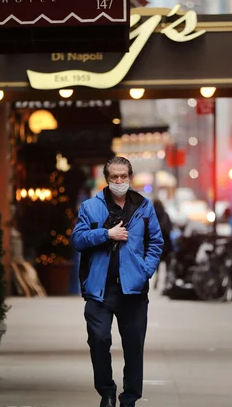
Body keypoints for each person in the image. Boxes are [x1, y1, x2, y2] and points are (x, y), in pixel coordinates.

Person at [72, 156, 164, 407]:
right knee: (99, 339)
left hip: (132, 290)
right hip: (99, 289)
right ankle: (107, 391)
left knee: (134, 347)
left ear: (130, 177)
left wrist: (144, 271)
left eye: (124, 176)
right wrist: (106, 234)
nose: (119, 181)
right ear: (107, 179)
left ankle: (129, 399)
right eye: (114, 177)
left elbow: (156, 242)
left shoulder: (144, 207)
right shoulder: (91, 207)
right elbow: (78, 240)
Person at [151, 199, 173, 290]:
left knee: (157, 264)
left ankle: (157, 279)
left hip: (156, 243)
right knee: (168, 264)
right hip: (166, 243)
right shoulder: (165, 214)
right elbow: (170, 228)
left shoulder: (152, 215)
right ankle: (166, 281)